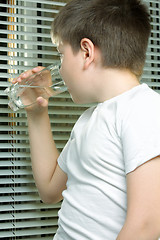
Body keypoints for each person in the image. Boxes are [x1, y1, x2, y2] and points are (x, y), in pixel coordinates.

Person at [15, 0, 160, 239]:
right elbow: (50, 190)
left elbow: (145, 224)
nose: (59, 70)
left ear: (86, 52)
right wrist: (37, 112)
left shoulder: (144, 108)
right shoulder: (89, 120)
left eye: (61, 55)